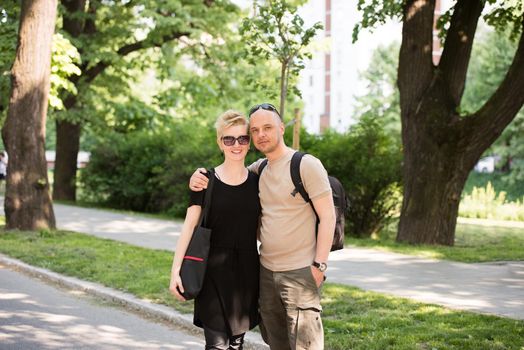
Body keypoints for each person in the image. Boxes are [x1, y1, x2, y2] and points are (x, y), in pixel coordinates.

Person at [190, 103, 336, 350]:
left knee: (306, 345)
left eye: (267, 127)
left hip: (300, 272)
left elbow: (328, 216)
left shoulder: (306, 165)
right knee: (276, 343)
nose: (261, 134)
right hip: (266, 273)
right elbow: (229, 178)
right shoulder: (259, 169)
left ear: (281, 128)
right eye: (255, 130)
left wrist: (319, 265)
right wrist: (199, 176)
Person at [170, 110, 261, 350]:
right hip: (210, 273)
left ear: (249, 143)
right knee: (217, 345)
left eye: (242, 138)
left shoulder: (257, 181)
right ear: (220, 142)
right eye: (228, 139)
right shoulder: (205, 180)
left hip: (246, 276)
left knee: (236, 346)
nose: (236, 145)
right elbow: (189, 225)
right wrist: (175, 271)